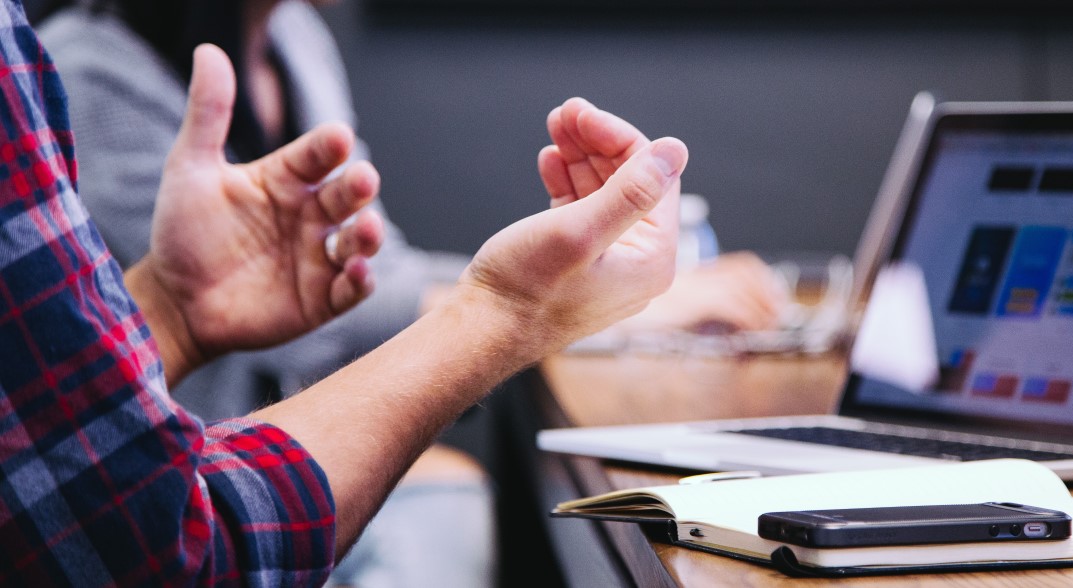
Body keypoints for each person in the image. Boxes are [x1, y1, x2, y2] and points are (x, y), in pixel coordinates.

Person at [34, 2, 784, 585]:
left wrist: (173, 306)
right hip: (185, 490)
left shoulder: (294, 37)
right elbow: (338, 322)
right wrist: (533, 305)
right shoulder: (86, 72)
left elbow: (361, 274)